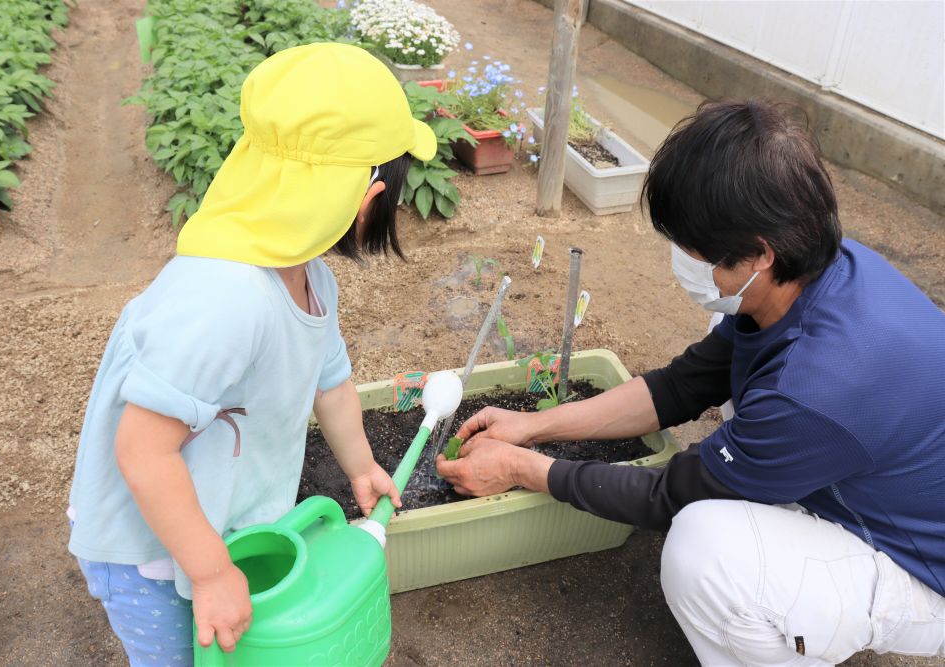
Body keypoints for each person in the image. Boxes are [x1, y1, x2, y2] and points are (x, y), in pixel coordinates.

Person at [438, 100, 945, 666]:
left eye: (695, 252)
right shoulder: (812, 271)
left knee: (705, 548)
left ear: (760, 252)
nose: (682, 260)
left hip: (920, 565)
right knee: (728, 348)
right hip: (876, 466)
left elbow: (671, 496)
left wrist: (518, 468)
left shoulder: (813, 391)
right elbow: (681, 385)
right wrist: (533, 426)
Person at [67, 43, 436, 666]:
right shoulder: (224, 299)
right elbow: (142, 449)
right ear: (368, 196)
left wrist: (361, 466)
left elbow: (332, 382)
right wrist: (210, 574)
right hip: (149, 552)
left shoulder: (309, 278)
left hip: (217, 523)